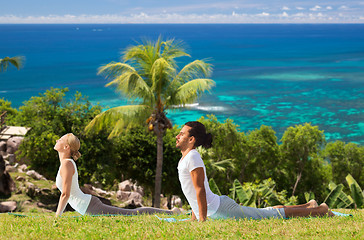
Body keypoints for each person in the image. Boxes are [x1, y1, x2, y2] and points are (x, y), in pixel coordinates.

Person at [176, 121, 334, 222]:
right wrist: (194, 218)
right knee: (264, 212)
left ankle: (320, 210)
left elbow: (200, 190)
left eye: (181, 134)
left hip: (219, 210)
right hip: (216, 209)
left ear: (191, 140)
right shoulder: (186, 158)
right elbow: (193, 194)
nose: (177, 136)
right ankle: (309, 205)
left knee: (269, 216)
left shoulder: (193, 157)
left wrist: (201, 221)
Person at [54, 133, 177, 217]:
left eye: (60, 140)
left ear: (66, 147)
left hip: (89, 206)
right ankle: (171, 212)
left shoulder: (67, 164)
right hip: (87, 205)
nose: (56, 140)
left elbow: (65, 193)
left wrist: (57, 216)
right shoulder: (65, 164)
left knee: (132, 214)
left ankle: (171, 213)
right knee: (131, 214)